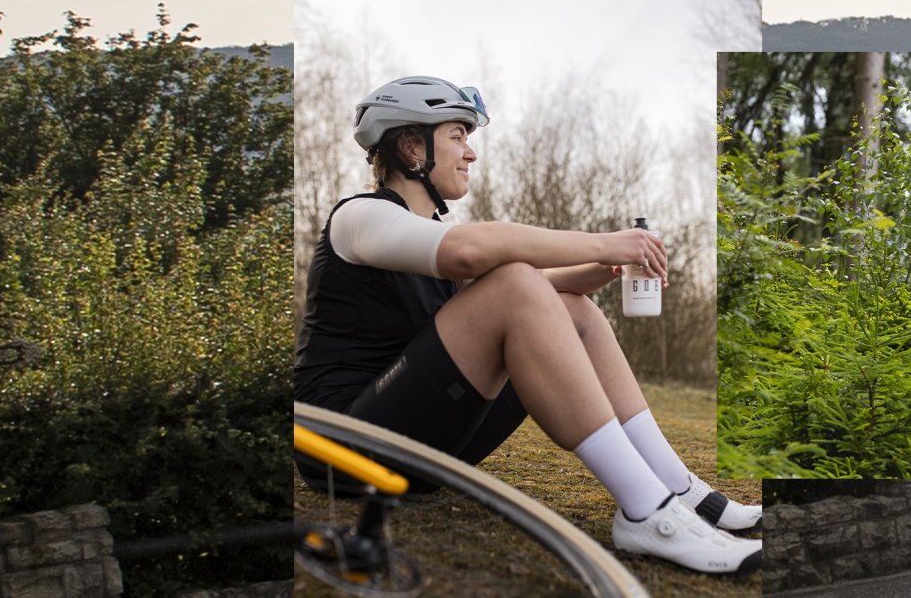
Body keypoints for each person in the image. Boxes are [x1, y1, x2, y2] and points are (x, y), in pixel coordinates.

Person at [294, 76, 761, 574]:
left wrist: (607, 267)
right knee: (517, 284)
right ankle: (649, 513)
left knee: (571, 307)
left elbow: (539, 286)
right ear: (412, 146)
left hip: (416, 447)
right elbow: (480, 258)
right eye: (457, 135)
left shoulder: (432, 239)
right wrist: (602, 242)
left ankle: (677, 487)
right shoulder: (359, 218)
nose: (471, 153)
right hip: (341, 447)